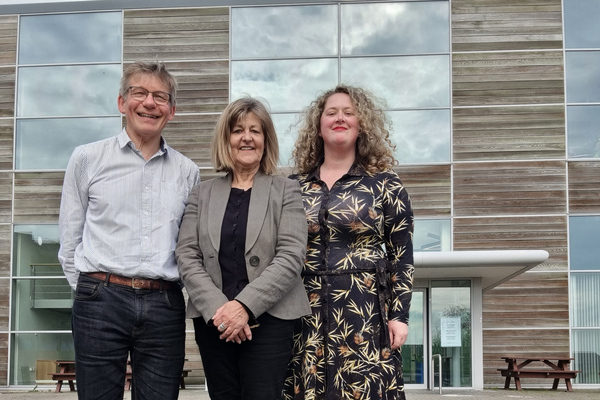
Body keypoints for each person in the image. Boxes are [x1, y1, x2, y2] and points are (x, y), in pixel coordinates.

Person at [58, 60, 200, 400]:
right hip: (100, 300)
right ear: (122, 103)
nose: (149, 103)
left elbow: (190, 246)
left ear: (172, 110)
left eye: (160, 96)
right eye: (140, 93)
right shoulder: (87, 159)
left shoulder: (188, 172)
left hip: (164, 303)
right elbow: (69, 240)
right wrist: (92, 291)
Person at [283, 85, 414, 400]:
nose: (339, 118)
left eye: (348, 112)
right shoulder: (292, 186)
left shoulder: (385, 183)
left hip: (364, 309)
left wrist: (399, 315)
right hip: (305, 311)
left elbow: (402, 255)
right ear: (319, 125)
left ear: (362, 124)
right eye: (331, 112)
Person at [175, 97, 311, 400]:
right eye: (237, 130)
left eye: (255, 130)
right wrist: (219, 311)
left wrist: (244, 307)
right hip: (215, 323)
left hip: (271, 321)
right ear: (226, 139)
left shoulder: (286, 190)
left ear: (266, 140)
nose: (246, 137)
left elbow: (291, 255)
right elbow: (186, 255)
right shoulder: (202, 193)